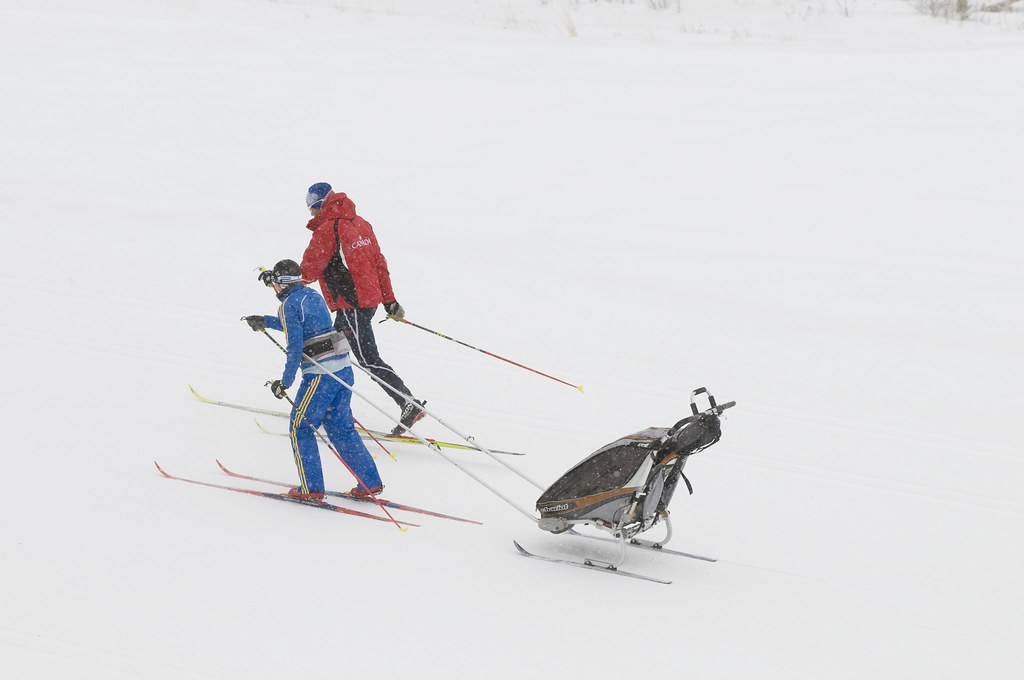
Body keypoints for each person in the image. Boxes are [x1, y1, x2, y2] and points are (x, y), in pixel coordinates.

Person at [242, 259, 384, 500]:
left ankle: (311, 488)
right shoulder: (313, 295)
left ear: (283, 284)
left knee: (300, 427)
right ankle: (370, 482)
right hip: (343, 371)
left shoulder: (287, 305)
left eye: (275, 284)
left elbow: (295, 344)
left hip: (320, 377)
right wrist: (266, 321)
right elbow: (305, 325)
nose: (273, 289)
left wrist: (284, 382)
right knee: (341, 428)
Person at [299, 181, 425, 436]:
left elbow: (308, 271)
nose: (310, 213)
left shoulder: (328, 229)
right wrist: (389, 300)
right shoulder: (360, 223)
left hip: (351, 306)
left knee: (361, 359)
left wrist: (281, 280)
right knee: (332, 352)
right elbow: (379, 263)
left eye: (312, 207)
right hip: (367, 303)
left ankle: (407, 403)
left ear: (321, 205)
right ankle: (330, 409)